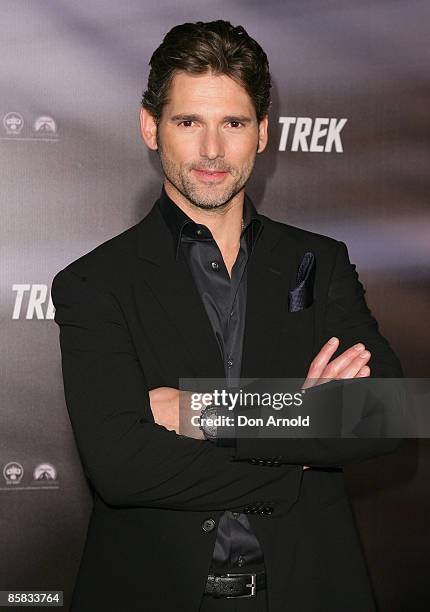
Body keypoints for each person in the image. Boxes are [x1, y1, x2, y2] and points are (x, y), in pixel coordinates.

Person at [51, 20, 404, 612]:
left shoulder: (318, 262)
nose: (212, 150)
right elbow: (121, 465)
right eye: (189, 122)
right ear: (150, 127)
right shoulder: (93, 283)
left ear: (262, 132)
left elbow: (387, 413)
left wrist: (198, 410)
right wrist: (302, 426)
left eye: (233, 123)